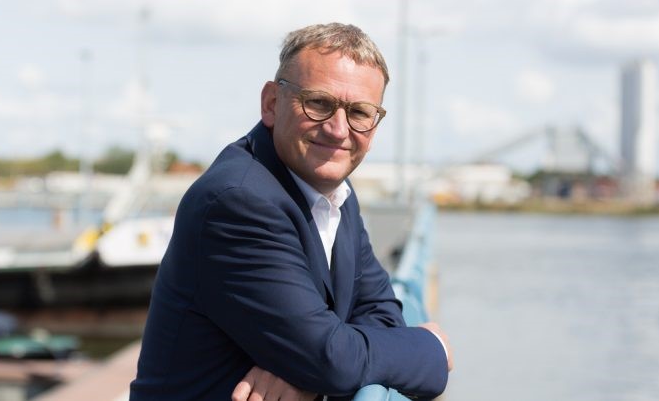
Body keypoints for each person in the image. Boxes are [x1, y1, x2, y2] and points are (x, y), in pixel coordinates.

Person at [129, 23, 452, 401]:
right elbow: (330, 360)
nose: (338, 129)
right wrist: (430, 347)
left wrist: (307, 372)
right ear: (271, 103)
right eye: (319, 103)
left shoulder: (336, 194)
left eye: (360, 112)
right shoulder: (238, 202)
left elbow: (380, 313)